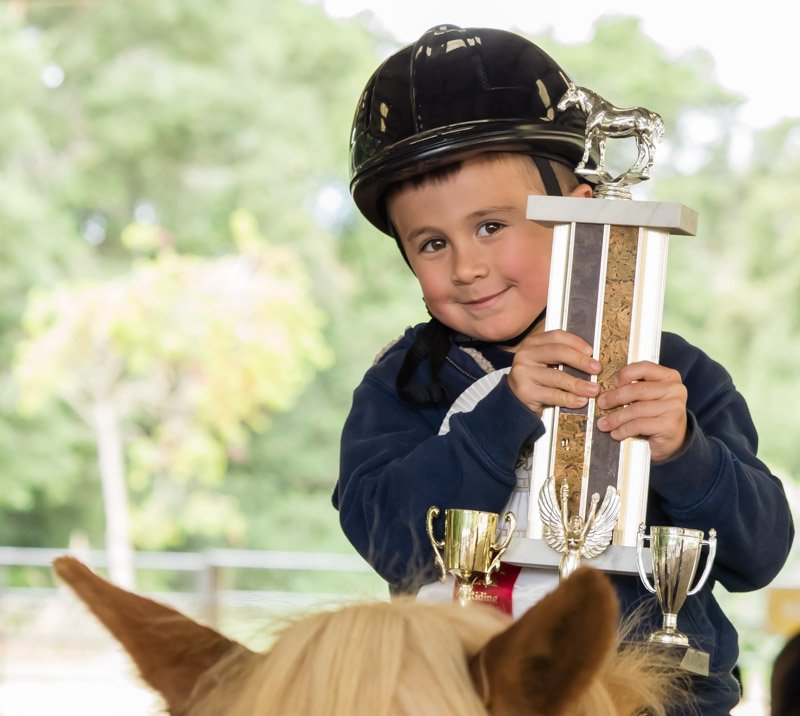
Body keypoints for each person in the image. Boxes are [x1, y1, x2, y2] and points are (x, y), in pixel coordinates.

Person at [332, 24, 795, 715]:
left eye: (492, 226)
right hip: (464, 693)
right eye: (431, 243)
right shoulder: (407, 382)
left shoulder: (677, 376)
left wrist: (685, 453)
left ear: (582, 213)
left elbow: (757, 556)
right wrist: (499, 418)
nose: (467, 266)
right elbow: (385, 538)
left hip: (658, 700)